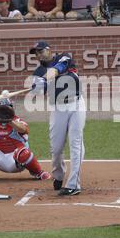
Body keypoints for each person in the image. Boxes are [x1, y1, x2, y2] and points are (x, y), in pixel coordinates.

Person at [30, 40, 86, 196]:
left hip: (76, 105)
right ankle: (59, 176)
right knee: (56, 148)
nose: (38, 54)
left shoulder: (64, 57)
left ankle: (74, 184)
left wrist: (46, 77)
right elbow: (38, 92)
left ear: (49, 50)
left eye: (41, 51)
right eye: (36, 53)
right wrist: (37, 87)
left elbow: (57, 69)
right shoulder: (38, 73)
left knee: (76, 143)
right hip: (57, 108)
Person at [0, 98, 52, 182]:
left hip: (17, 160)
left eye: (7, 109)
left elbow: (23, 129)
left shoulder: (18, 122)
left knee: (23, 153)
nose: (4, 112)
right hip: (1, 158)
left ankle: (38, 172)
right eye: (2, 110)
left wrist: (9, 121)